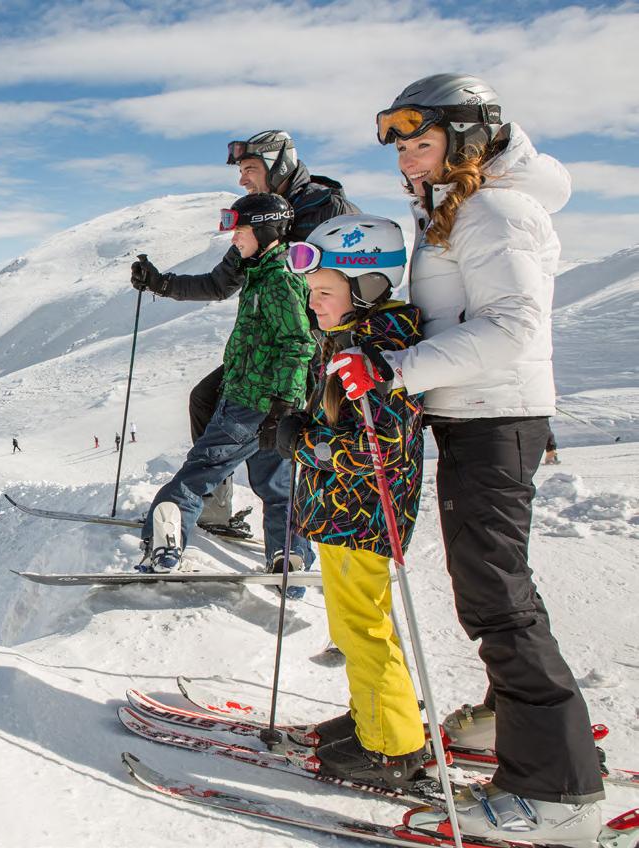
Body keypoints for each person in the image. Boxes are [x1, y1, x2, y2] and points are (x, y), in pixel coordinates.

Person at [330, 73, 604, 843]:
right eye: (400, 148)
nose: (406, 160)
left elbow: (511, 326)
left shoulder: (493, 209)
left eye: (420, 144)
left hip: (494, 417)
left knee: (496, 600)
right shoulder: (457, 206)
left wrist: (395, 368)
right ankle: (508, 729)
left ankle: (556, 791)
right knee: (489, 589)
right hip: (474, 414)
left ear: (468, 141)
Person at [133, 130, 356, 561]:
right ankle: (263, 533)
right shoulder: (256, 222)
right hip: (267, 355)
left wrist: (315, 367)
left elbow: (353, 278)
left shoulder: (326, 209)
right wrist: (161, 283)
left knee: (266, 438)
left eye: (250, 169)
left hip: (309, 353)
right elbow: (221, 282)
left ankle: (194, 508)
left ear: (279, 165)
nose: (242, 179)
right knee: (211, 402)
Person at [275, 214, 425, 790]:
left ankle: (391, 747)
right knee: (354, 624)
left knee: (362, 627)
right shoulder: (350, 338)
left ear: (367, 287)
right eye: (311, 291)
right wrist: (302, 422)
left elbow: (378, 449)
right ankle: (374, 717)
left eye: (324, 291)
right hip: (344, 511)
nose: (312, 302)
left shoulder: (377, 350)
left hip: (360, 513)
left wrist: (303, 444)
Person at [137, 193, 313, 574]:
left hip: (248, 404)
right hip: (270, 406)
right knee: (277, 487)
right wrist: (282, 409)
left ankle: (164, 545)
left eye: (241, 231)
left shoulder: (278, 280)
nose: (234, 239)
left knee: (197, 473)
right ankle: (289, 556)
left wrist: (282, 406)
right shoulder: (263, 271)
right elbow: (216, 284)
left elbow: (299, 344)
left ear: (265, 231)